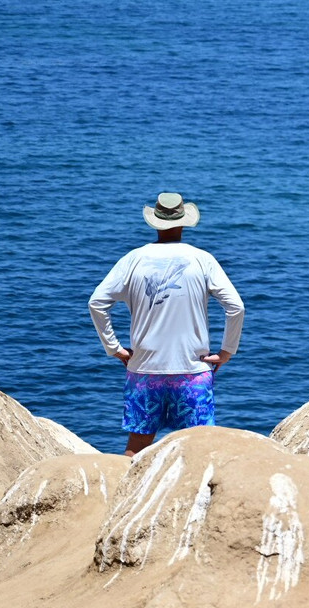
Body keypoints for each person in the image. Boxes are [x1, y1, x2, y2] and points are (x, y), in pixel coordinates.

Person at [89, 192, 245, 457]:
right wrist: (227, 350)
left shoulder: (133, 259)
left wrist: (114, 348)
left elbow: (97, 303)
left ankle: (126, 496)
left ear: (154, 223)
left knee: (136, 447)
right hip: (192, 370)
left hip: (144, 368)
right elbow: (236, 307)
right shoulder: (202, 259)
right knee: (199, 448)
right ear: (183, 222)